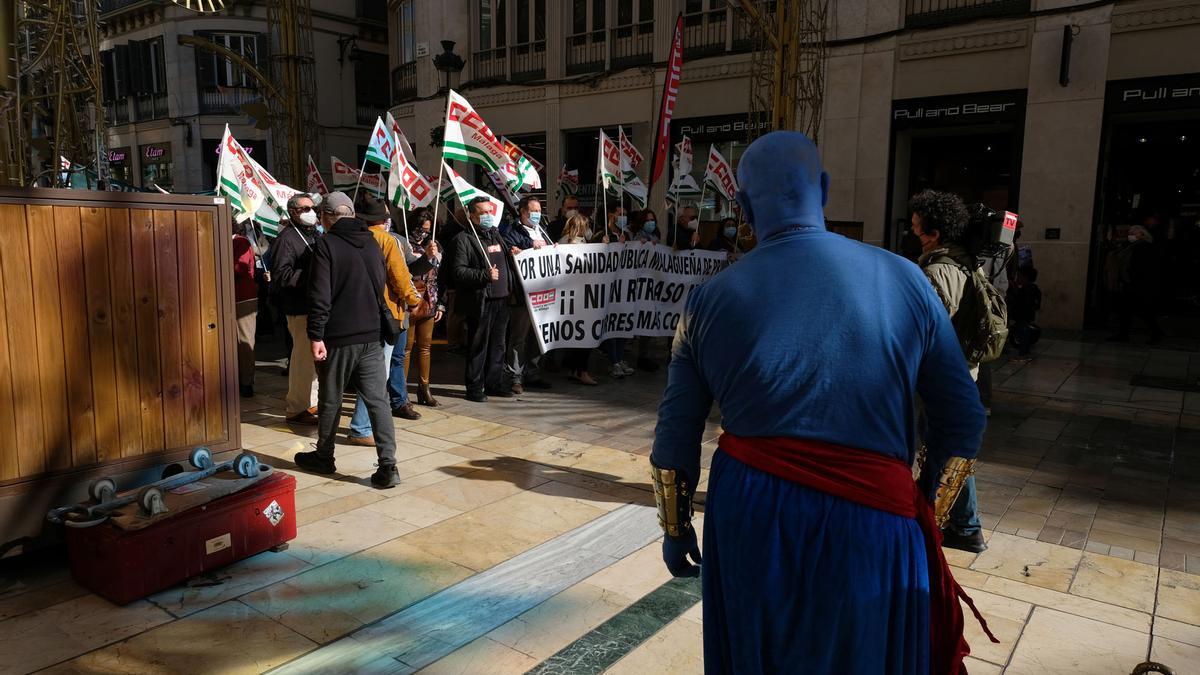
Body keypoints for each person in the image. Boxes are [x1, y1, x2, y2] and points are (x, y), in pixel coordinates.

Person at [651, 131, 991, 673]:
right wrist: (923, 507)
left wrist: (674, 525)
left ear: (740, 206)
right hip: (873, 519)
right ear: (825, 190)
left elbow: (675, 433)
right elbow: (964, 418)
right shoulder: (907, 280)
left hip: (751, 513)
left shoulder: (706, 301)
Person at [295, 192, 401, 488]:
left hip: (339, 336)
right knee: (378, 401)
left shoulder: (326, 245)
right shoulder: (372, 242)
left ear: (327, 218)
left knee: (331, 399)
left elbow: (320, 295)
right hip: (371, 334)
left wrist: (316, 334)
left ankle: (324, 456)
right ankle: (388, 465)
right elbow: (380, 285)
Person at [910, 188, 988, 553]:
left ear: (934, 232)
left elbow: (924, 326)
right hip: (959, 371)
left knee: (939, 448)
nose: (912, 231)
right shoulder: (964, 262)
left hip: (942, 375)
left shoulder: (938, 270)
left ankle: (944, 525)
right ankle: (965, 525)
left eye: (916, 226)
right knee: (948, 447)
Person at [344, 196, 424, 447]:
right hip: (384, 313)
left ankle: (357, 424)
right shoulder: (386, 241)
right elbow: (400, 277)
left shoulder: (347, 239)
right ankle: (361, 426)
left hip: (354, 313)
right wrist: (413, 299)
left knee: (358, 371)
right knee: (377, 373)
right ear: (384, 220)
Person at [451, 196, 516, 402]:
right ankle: (475, 387)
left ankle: (494, 383)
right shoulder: (463, 239)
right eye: (483, 213)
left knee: (498, 345)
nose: (488, 216)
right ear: (472, 216)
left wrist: (513, 252)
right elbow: (458, 272)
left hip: (502, 299)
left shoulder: (495, 234)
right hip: (481, 301)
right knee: (479, 345)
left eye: (490, 212)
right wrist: (484, 275)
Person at [270, 193, 322, 425]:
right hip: (299, 307)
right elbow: (281, 276)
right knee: (302, 357)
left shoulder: (313, 234)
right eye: (305, 208)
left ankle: (309, 402)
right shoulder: (287, 239)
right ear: (292, 212)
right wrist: (313, 274)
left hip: (313, 305)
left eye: (312, 208)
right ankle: (296, 407)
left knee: (312, 359)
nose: (311, 212)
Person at [500, 196, 553, 394]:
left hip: (544, 293)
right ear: (522, 212)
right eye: (533, 211)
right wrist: (531, 246)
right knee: (519, 337)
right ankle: (516, 375)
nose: (537, 214)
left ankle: (533, 372)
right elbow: (511, 250)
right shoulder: (512, 231)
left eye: (539, 210)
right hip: (522, 295)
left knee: (538, 335)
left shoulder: (542, 230)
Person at [397, 208, 445, 408]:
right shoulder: (403, 243)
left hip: (430, 299)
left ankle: (424, 387)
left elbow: (441, 276)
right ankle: (402, 391)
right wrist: (425, 256)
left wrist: (441, 303)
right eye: (420, 229)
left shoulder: (435, 244)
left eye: (427, 229)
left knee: (425, 346)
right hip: (410, 298)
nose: (423, 233)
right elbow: (406, 270)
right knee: (406, 348)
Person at [591, 206, 634, 379]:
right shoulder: (600, 234)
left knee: (623, 322)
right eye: (620, 214)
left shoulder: (627, 235)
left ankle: (620, 358)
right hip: (608, 288)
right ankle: (614, 361)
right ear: (611, 216)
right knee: (610, 324)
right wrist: (604, 245)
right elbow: (592, 256)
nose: (623, 217)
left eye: (625, 214)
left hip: (624, 288)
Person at [558, 214, 598, 386]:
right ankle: (581, 371)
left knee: (578, 335)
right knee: (584, 336)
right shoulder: (572, 244)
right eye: (586, 225)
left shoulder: (567, 242)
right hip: (579, 297)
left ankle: (575, 369)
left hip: (577, 296)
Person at [1112, 224, 1165, 344]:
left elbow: (1141, 267)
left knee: (1141, 310)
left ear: (1142, 234)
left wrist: (1131, 279)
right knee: (1128, 309)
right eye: (1130, 232)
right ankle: (1124, 334)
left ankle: (1156, 333)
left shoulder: (1144, 247)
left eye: (1133, 233)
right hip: (1132, 283)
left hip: (1138, 284)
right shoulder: (1132, 246)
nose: (1130, 235)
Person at [232, 224, 258, 398]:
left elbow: (240, 267)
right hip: (233, 297)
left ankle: (246, 383)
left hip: (243, 297)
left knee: (244, 340)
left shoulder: (241, 242)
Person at [1008, 266, 1042, 358]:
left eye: (1019, 276)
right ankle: (1025, 351)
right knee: (1024, 332)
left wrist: (1015, 291)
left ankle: (1023, 353)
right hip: (1028, 315)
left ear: (1025, 278)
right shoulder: (1034, 289)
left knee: (1023, 333)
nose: (1017, 279)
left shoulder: (1026, 290)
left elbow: (1021, 300)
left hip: (1023, 315)